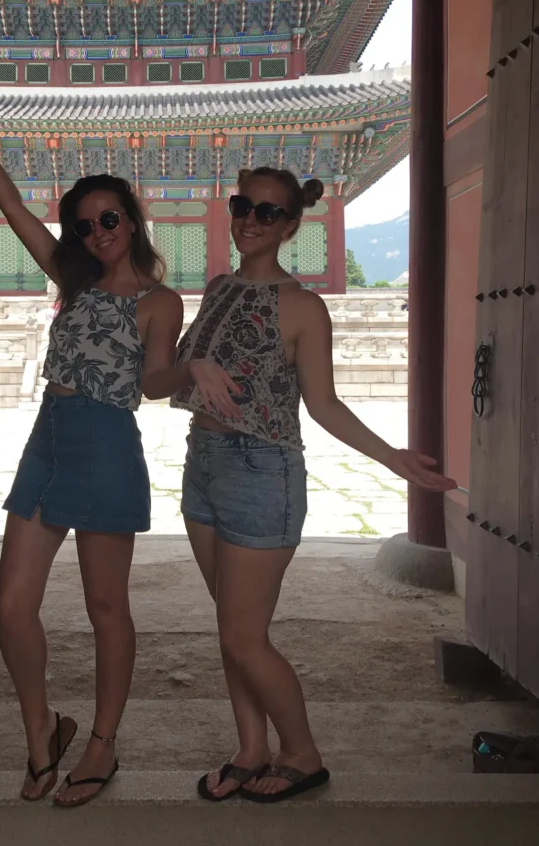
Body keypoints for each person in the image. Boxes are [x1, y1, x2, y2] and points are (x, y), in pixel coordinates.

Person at [0, 117, 237, 808]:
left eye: (108, 218)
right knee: (12, 604)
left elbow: (154, 382)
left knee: (107, 607)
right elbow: (13, 213)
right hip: (47, 439)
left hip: (106, 444)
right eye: (83, 225)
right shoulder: (72, 279)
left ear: (131, 221)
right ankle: (42, 728)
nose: (97, 232)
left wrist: (193, 364)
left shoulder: (159, 301)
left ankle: (102, 743)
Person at [168, 166, 457, 805]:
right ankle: (251, 748)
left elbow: (323, 405)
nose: (250, 220)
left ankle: (302, 752)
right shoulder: (217, 288)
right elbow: (170, 374)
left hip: (261, 471)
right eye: (243, 206)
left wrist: (392, 458)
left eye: (267, 213)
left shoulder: (303, 306)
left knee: (246, 636)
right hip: (204, 461)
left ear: (292, 225)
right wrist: (192, 361)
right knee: (228, 628)